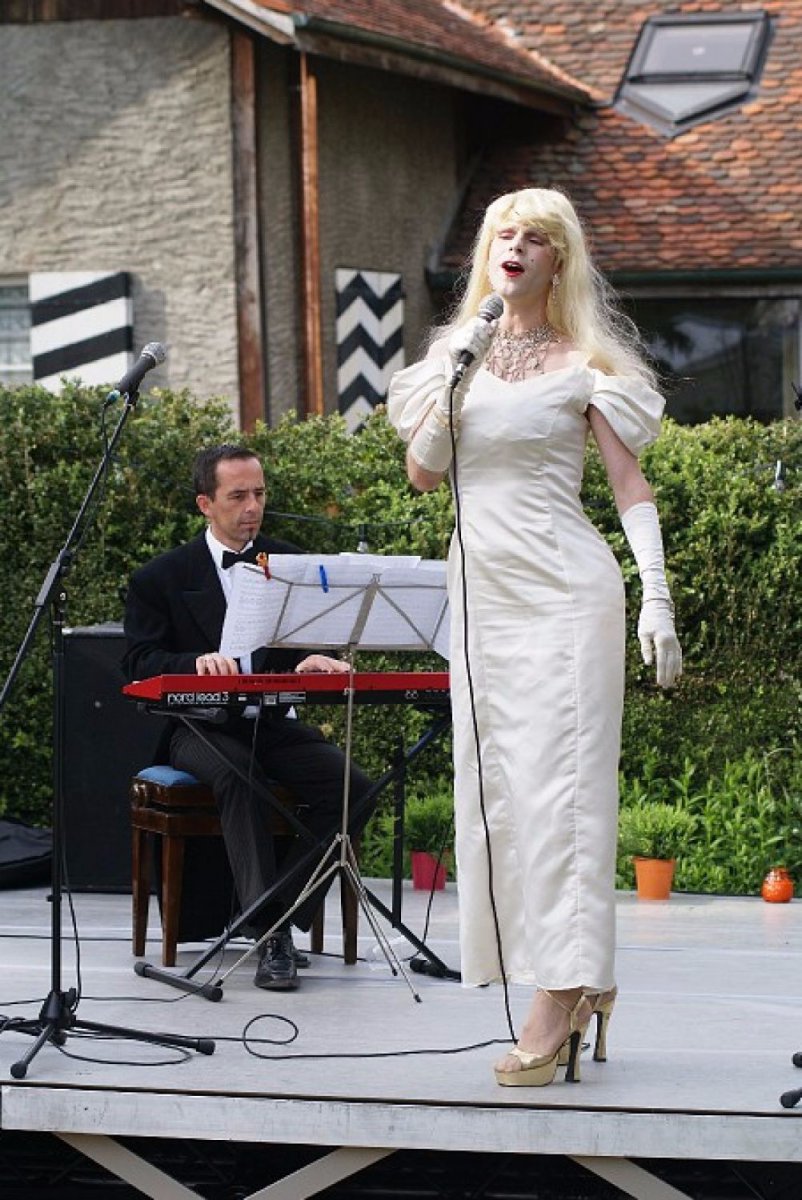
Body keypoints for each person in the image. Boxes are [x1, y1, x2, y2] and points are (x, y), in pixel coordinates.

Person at [387, 187, 682, 1086]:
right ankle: (575, 978)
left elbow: (628, 484)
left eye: (535, 238)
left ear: (559, 261)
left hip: (565, 593)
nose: (514, 246)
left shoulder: (586, 364)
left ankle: (560, 994)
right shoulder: (456, 358)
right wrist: (461, 367)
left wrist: (657, 596)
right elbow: (423, 475)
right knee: (501, 798)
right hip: (483, 599)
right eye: (503, 234)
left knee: (566, 798)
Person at [123, 444, 374, 991]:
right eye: (237, 496)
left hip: (273, 722)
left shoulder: (290, 563)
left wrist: (316, 656)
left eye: (258, 493)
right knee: (240, 775)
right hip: (199, 727)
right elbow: (138, 661)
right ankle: (272, 935)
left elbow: (310, 642)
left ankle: (276, 909)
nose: (252, 506)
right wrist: (194, 663)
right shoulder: (160, 577)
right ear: (205, 504)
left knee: (354, 788)